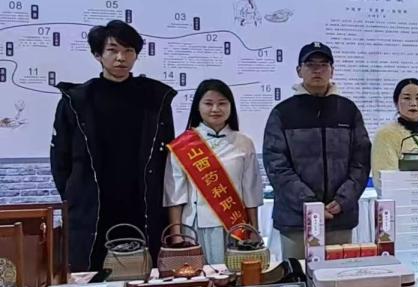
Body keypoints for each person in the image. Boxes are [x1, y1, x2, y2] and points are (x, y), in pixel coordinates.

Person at [50, 20, 176, 271]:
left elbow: (168, 156)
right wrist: (76, 196)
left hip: (143, 202)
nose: (121, 58)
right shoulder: (77, 100)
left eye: (129, 51)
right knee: (92, 276)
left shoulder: (155, 98)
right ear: (98, 54)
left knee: (146, 275)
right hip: (93, 206)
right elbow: (60, 159)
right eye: (113, 50)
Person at [263, 42, 370, 259]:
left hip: (339, 217)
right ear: (299, 70)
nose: (317, 70)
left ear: (332, 70)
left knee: (338, 276)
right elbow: (276, 165)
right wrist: (308, 203)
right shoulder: (282, 113)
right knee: (298, 275)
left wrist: (343, 199)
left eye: (323, 65)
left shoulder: (348, 111)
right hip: (296, 219)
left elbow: (361, 160)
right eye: (311, 64)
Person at [164, 80, 263, 265]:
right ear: (198, 106)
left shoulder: (244, 143)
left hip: (235, 226)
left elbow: (251, 191)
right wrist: (176, 235)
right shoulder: (182, 145)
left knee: (235, 275)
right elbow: (175, 196)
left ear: (231, 106)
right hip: (195, 226)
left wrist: (254, 230)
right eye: (208, 103)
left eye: (222, 103)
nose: (215, 109)